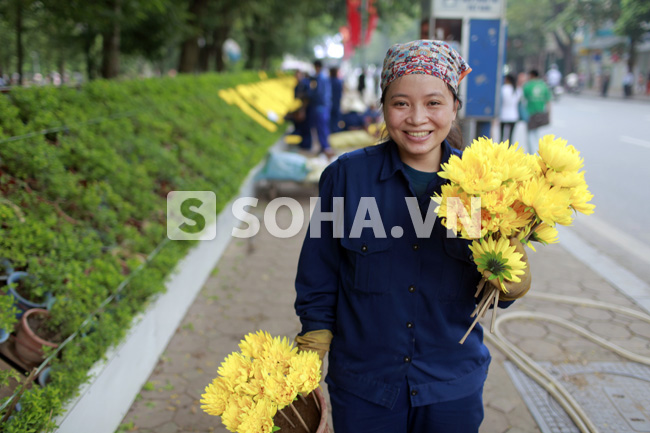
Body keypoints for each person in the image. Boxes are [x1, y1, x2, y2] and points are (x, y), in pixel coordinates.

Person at [294, 40, 532, 433]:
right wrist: (310, 353)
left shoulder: (483, 186)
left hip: (450, 387)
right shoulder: (348, 178)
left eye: (434, 103)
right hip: (364, 388)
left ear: (455, 106)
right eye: (401, 103)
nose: (417, 118)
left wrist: (509, 275)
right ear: (383, 106)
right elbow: (320, 271)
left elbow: (497, 295)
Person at [309, 60, 335, 157]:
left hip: (320, 107)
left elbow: (318, 93)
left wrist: (310, 93)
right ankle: (325, 147)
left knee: (321, 128)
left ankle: (325, 148)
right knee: (324, 128)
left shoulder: (319, 78)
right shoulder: (324, 77)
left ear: (317, 67)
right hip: (325, 106)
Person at [522, 69, 551, 154]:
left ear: (531, 75)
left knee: (530, 134)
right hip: (540, 112)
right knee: (536, 133)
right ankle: (535, 152)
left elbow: (523, 100)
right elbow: (548, 101)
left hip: (530, 112)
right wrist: (549, 113)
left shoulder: (527, 86)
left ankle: (532, 153)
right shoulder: (543, 85)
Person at [499, 74, 520, 145]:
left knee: (501, 136)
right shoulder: (517, 90)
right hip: (514, 115)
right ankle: (510, 150)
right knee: (510, 137)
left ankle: (501, 150)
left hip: (503, 115)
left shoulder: (503, 89)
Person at [330, 66, 344, 133]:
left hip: (330, 104)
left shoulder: (329, 81)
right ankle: (335, 131)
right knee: (336, 120)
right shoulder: (339, 82)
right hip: (336, 103)